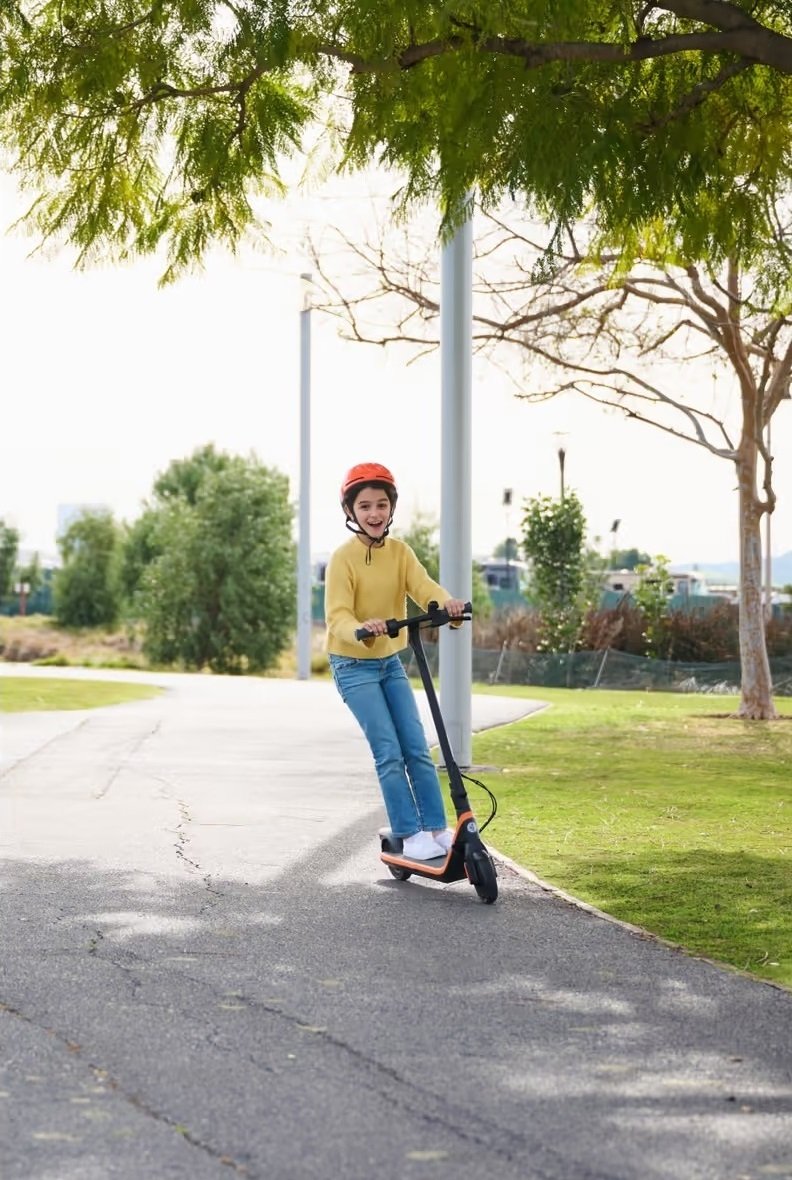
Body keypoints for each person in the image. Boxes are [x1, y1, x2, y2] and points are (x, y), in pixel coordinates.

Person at [325, 462, 466, 861]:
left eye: (381, 504)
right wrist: (360, 628)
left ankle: (436, 828)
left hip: (390, 662)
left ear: (391, 508)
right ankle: (407, 833)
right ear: (350, 512)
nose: (374, 513)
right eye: (365, 506)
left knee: (417, 747)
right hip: (353, 665)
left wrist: (447, 607)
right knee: (388, 750)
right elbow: (336, 616)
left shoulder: (401, 553)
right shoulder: (343, 559)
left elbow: (425, 589)